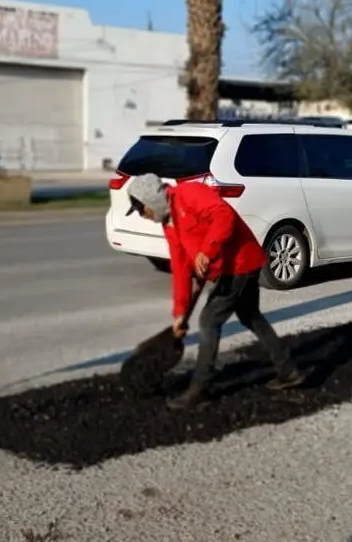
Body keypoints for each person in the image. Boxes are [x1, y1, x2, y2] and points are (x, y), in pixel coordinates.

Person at [124, 173, 308, 409]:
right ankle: (289, 371)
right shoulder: (169, 224)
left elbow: (224, 216)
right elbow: (180, 267)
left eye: (142, 209)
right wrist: (180, 312)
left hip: (239, 264)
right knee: (250, 316)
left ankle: (200, 388)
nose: (143, 215)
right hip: (230, 268)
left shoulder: (189, 194)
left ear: (152, 199)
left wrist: (206, 251)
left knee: (209, 321)